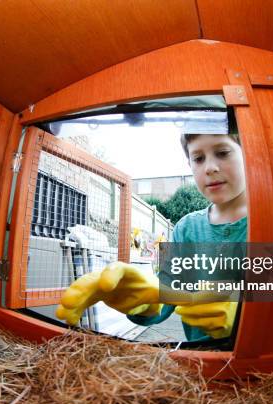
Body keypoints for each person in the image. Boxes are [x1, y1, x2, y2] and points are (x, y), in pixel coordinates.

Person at [56, 120, 247, 341]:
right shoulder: (184, 228)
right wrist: (143, 303)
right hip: (200, 361)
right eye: (198, 158)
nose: (210, 167)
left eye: (223, 153)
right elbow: (166, 291)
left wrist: (244, 312)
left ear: (249, 154)